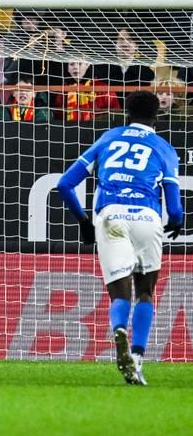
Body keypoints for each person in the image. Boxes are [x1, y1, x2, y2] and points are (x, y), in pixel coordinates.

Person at [57, 91, 183, 385]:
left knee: (119, 292)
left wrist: (84, 222)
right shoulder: (164, 148)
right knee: (146, 291)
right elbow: (175, 207)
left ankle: (118, 329)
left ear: (127, 112)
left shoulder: (109, 137)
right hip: (147, 217)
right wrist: (175, 221)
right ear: (157, 116)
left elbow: (65, 184)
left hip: (111, 214)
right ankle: (137, 358)